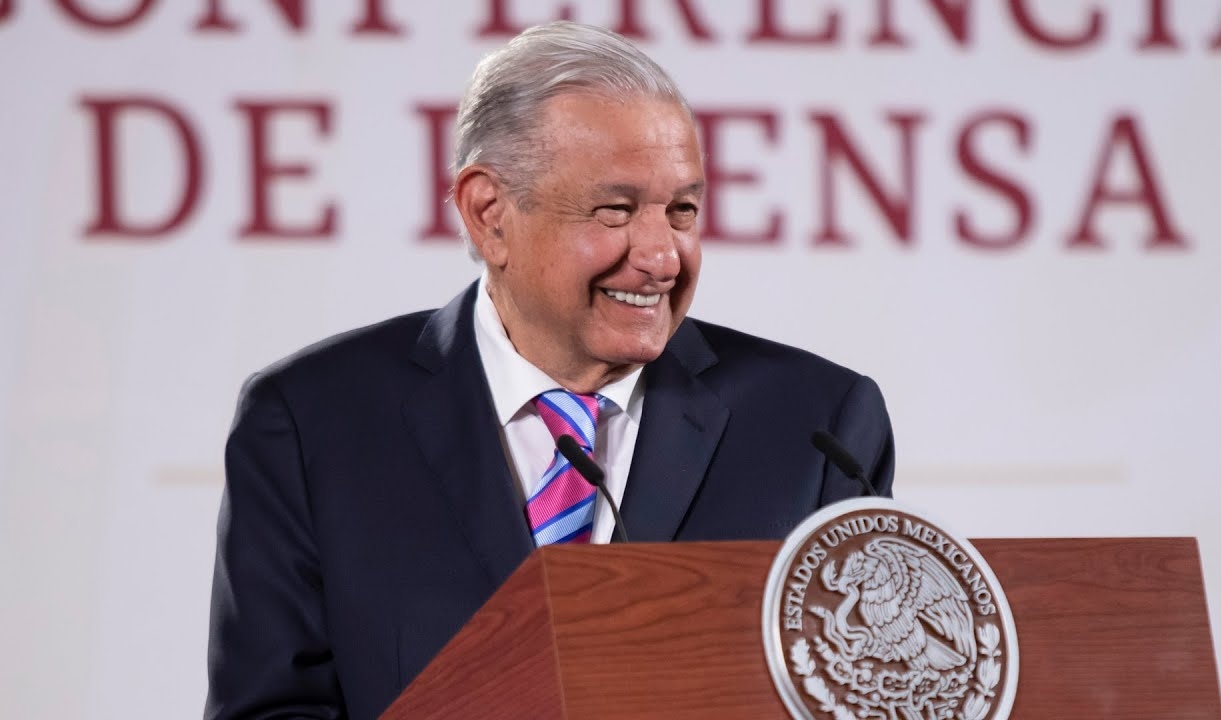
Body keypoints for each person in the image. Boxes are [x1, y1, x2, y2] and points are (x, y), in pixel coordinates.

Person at [204, 20, 894, 720]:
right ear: (488, 214)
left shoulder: (816, 424)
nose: (661, 257)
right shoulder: (310, 422)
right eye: (615, 210)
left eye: (681, 210)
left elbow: (870, 690)